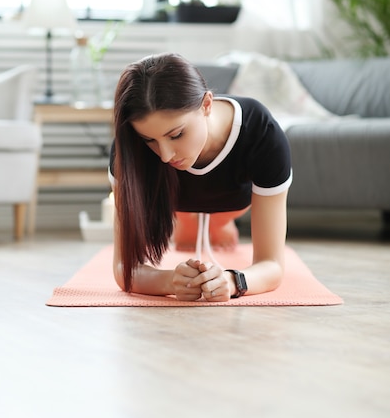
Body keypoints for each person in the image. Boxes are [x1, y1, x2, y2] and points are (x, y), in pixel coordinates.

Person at [109, 52, 292, 302]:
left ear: (207, 105)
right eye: (149, 140)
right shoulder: (128, 150)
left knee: (219, 230)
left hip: (234, 201)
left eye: (176, 135)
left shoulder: (261, 131)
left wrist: (232, 280)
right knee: (184, 235)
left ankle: (217, 224)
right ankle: (189, 224)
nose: (164, 156)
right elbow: (124, 269)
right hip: (173, 204)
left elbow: (272, 265)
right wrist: (171, 280)